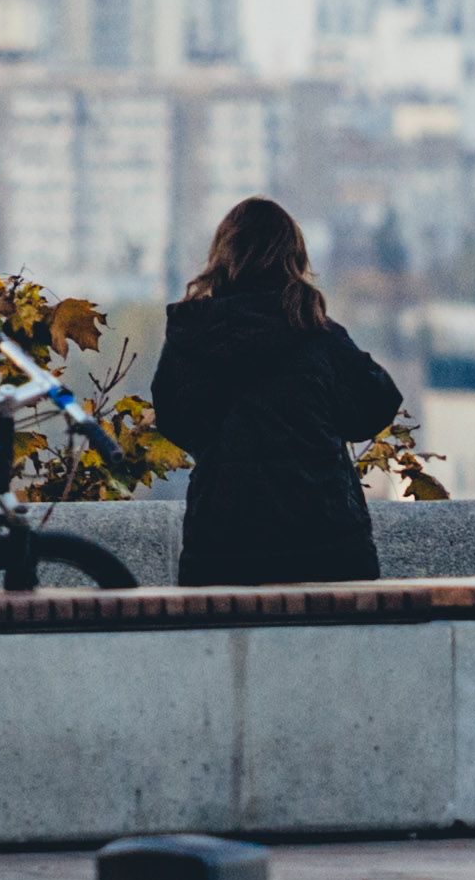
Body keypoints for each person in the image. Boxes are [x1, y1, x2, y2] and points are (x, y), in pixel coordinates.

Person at [162, 197, 406, 588]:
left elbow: (174, 420)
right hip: (327, 546)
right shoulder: (317, 334)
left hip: (220, 548)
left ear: (222, 257)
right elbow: (379, 403)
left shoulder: (192, 336)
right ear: (293, 259)